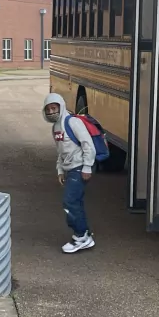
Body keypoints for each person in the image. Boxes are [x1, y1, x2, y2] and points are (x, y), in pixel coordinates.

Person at [42, 93, 96, 254]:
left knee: (70, 202)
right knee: (76, 201)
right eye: (48, 109)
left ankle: (80, 236)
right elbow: (61, 151)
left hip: (80, 167)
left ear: (61, 106)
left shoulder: (72, 122)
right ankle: (84, 233)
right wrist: (60, 170)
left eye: (54, 108)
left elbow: (88, 144)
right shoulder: (55, 128)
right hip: (70, 169)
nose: (51, 112)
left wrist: (87, 167)